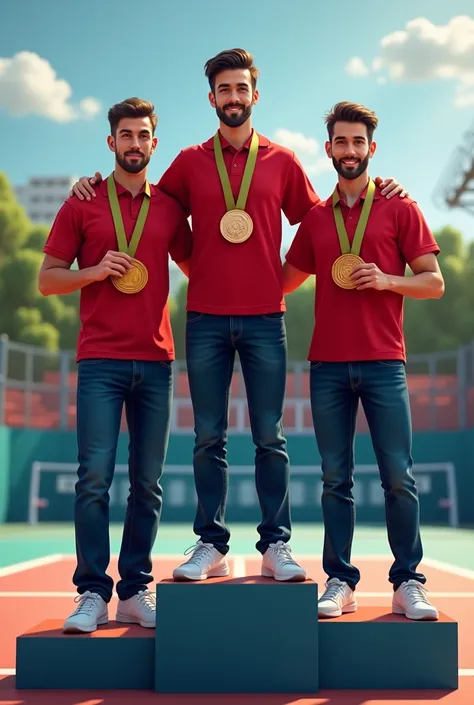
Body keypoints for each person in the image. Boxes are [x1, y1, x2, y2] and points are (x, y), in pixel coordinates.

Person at [70, 49, 406, 584]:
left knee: (270, 435)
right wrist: (92, 186)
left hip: (265, 321)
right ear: (212, 98)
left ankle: (276, 543)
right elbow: (144, 201)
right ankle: (211, 543)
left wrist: (382, 187)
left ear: (254, 94)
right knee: (208, 436)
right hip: (203, 319)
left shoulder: (283, 160)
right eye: (224, 90)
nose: (233, 98)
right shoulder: (185, 162)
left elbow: (323, 223)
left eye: (241, 89)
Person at [283, 101, 444, 620]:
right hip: (327, 366)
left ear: (371, 149)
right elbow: (283, 279)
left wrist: (387, 279)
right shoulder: (313, 220)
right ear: (328, 149)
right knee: (336, 479)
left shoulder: (401, 208)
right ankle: (341, 581)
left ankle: (407, 582)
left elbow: (433, 282)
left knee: (399, 475)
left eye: (358, 143)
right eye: (340, 142)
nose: (349, 151)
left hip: (383, 363)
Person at [38, 98, 192, 632]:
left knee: (147, 484)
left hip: (156, 361)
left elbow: (200, 261)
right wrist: (96, 270)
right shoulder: (81, 204)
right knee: (94, 479)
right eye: (124, 135)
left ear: (154, 143)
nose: (133, 143)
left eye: (142, 135)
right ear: (111, 143)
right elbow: (49, 278)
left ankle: (133, 590)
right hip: (100, 360)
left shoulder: (170, 208)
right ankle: (91, 593)